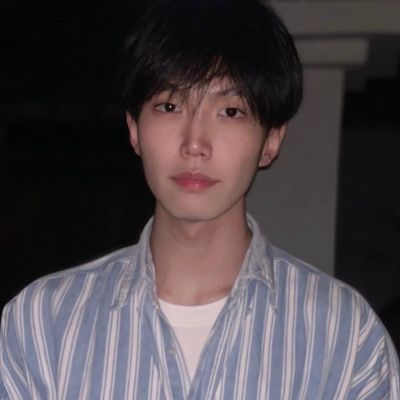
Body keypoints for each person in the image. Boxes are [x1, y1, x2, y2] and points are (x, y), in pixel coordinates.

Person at [1, 0, 399, 398]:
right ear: (134, 129)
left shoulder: (344, 339)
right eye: (169, 106)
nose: (194, 143)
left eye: (230, 111)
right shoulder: (42, 325)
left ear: (271, 140)